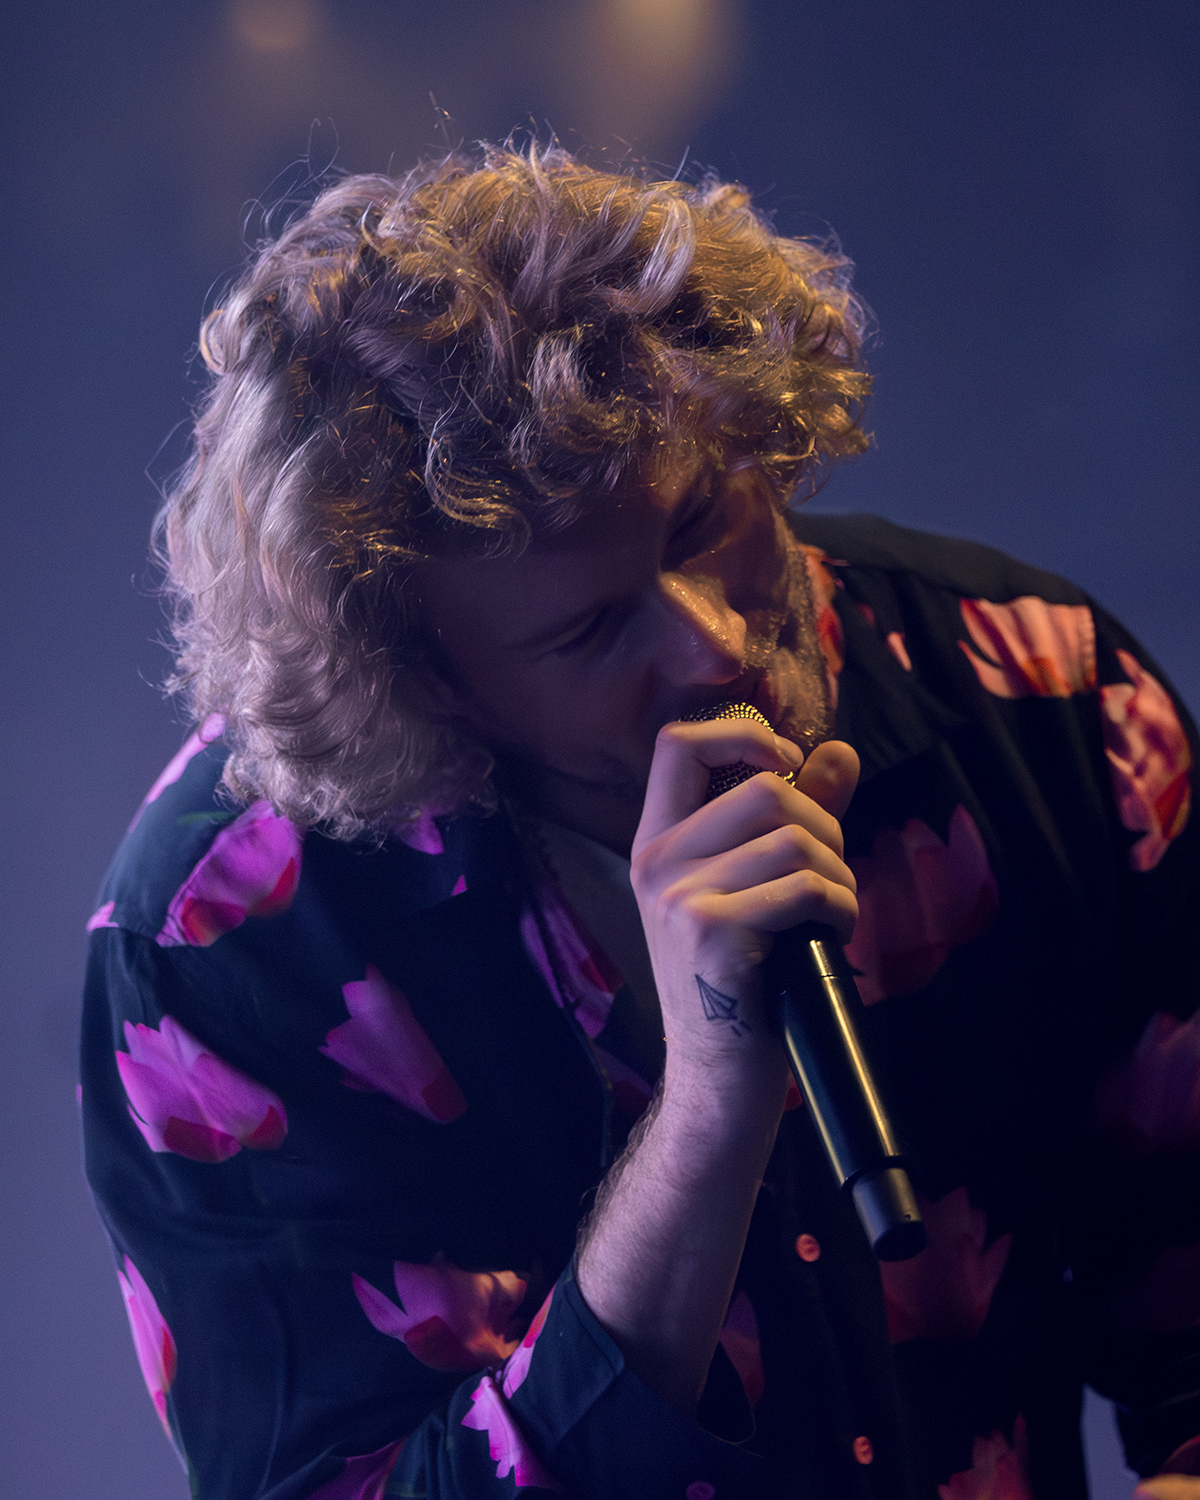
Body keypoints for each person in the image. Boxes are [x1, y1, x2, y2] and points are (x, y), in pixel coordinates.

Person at [82, 144, 1200, 1500]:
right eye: (592, 629)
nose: (713, 642)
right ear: (431, 683)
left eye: (704, 522)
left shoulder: (1050, 697)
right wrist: (707, 1119)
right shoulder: (224, 938)